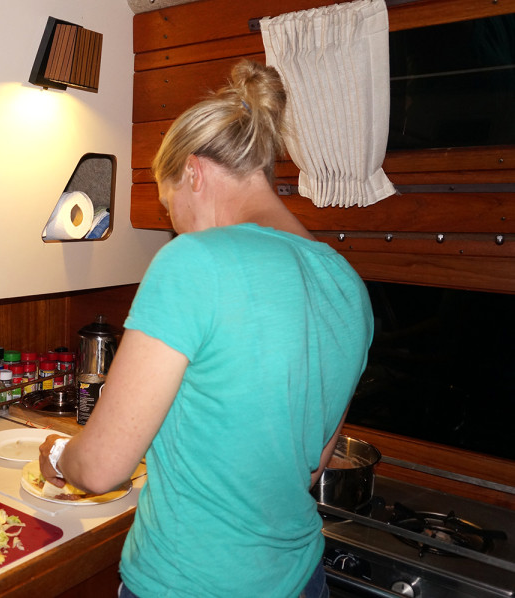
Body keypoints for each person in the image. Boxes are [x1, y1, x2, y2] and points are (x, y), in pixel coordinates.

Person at [39, 59, 374, 598]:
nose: (177, 226)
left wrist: (59, 456)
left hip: (191, 581)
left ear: (193, 172)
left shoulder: (192, 261)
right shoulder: (346, 284)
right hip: (299, 581)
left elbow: (101, 469)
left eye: (174, 208)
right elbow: (310, 466)